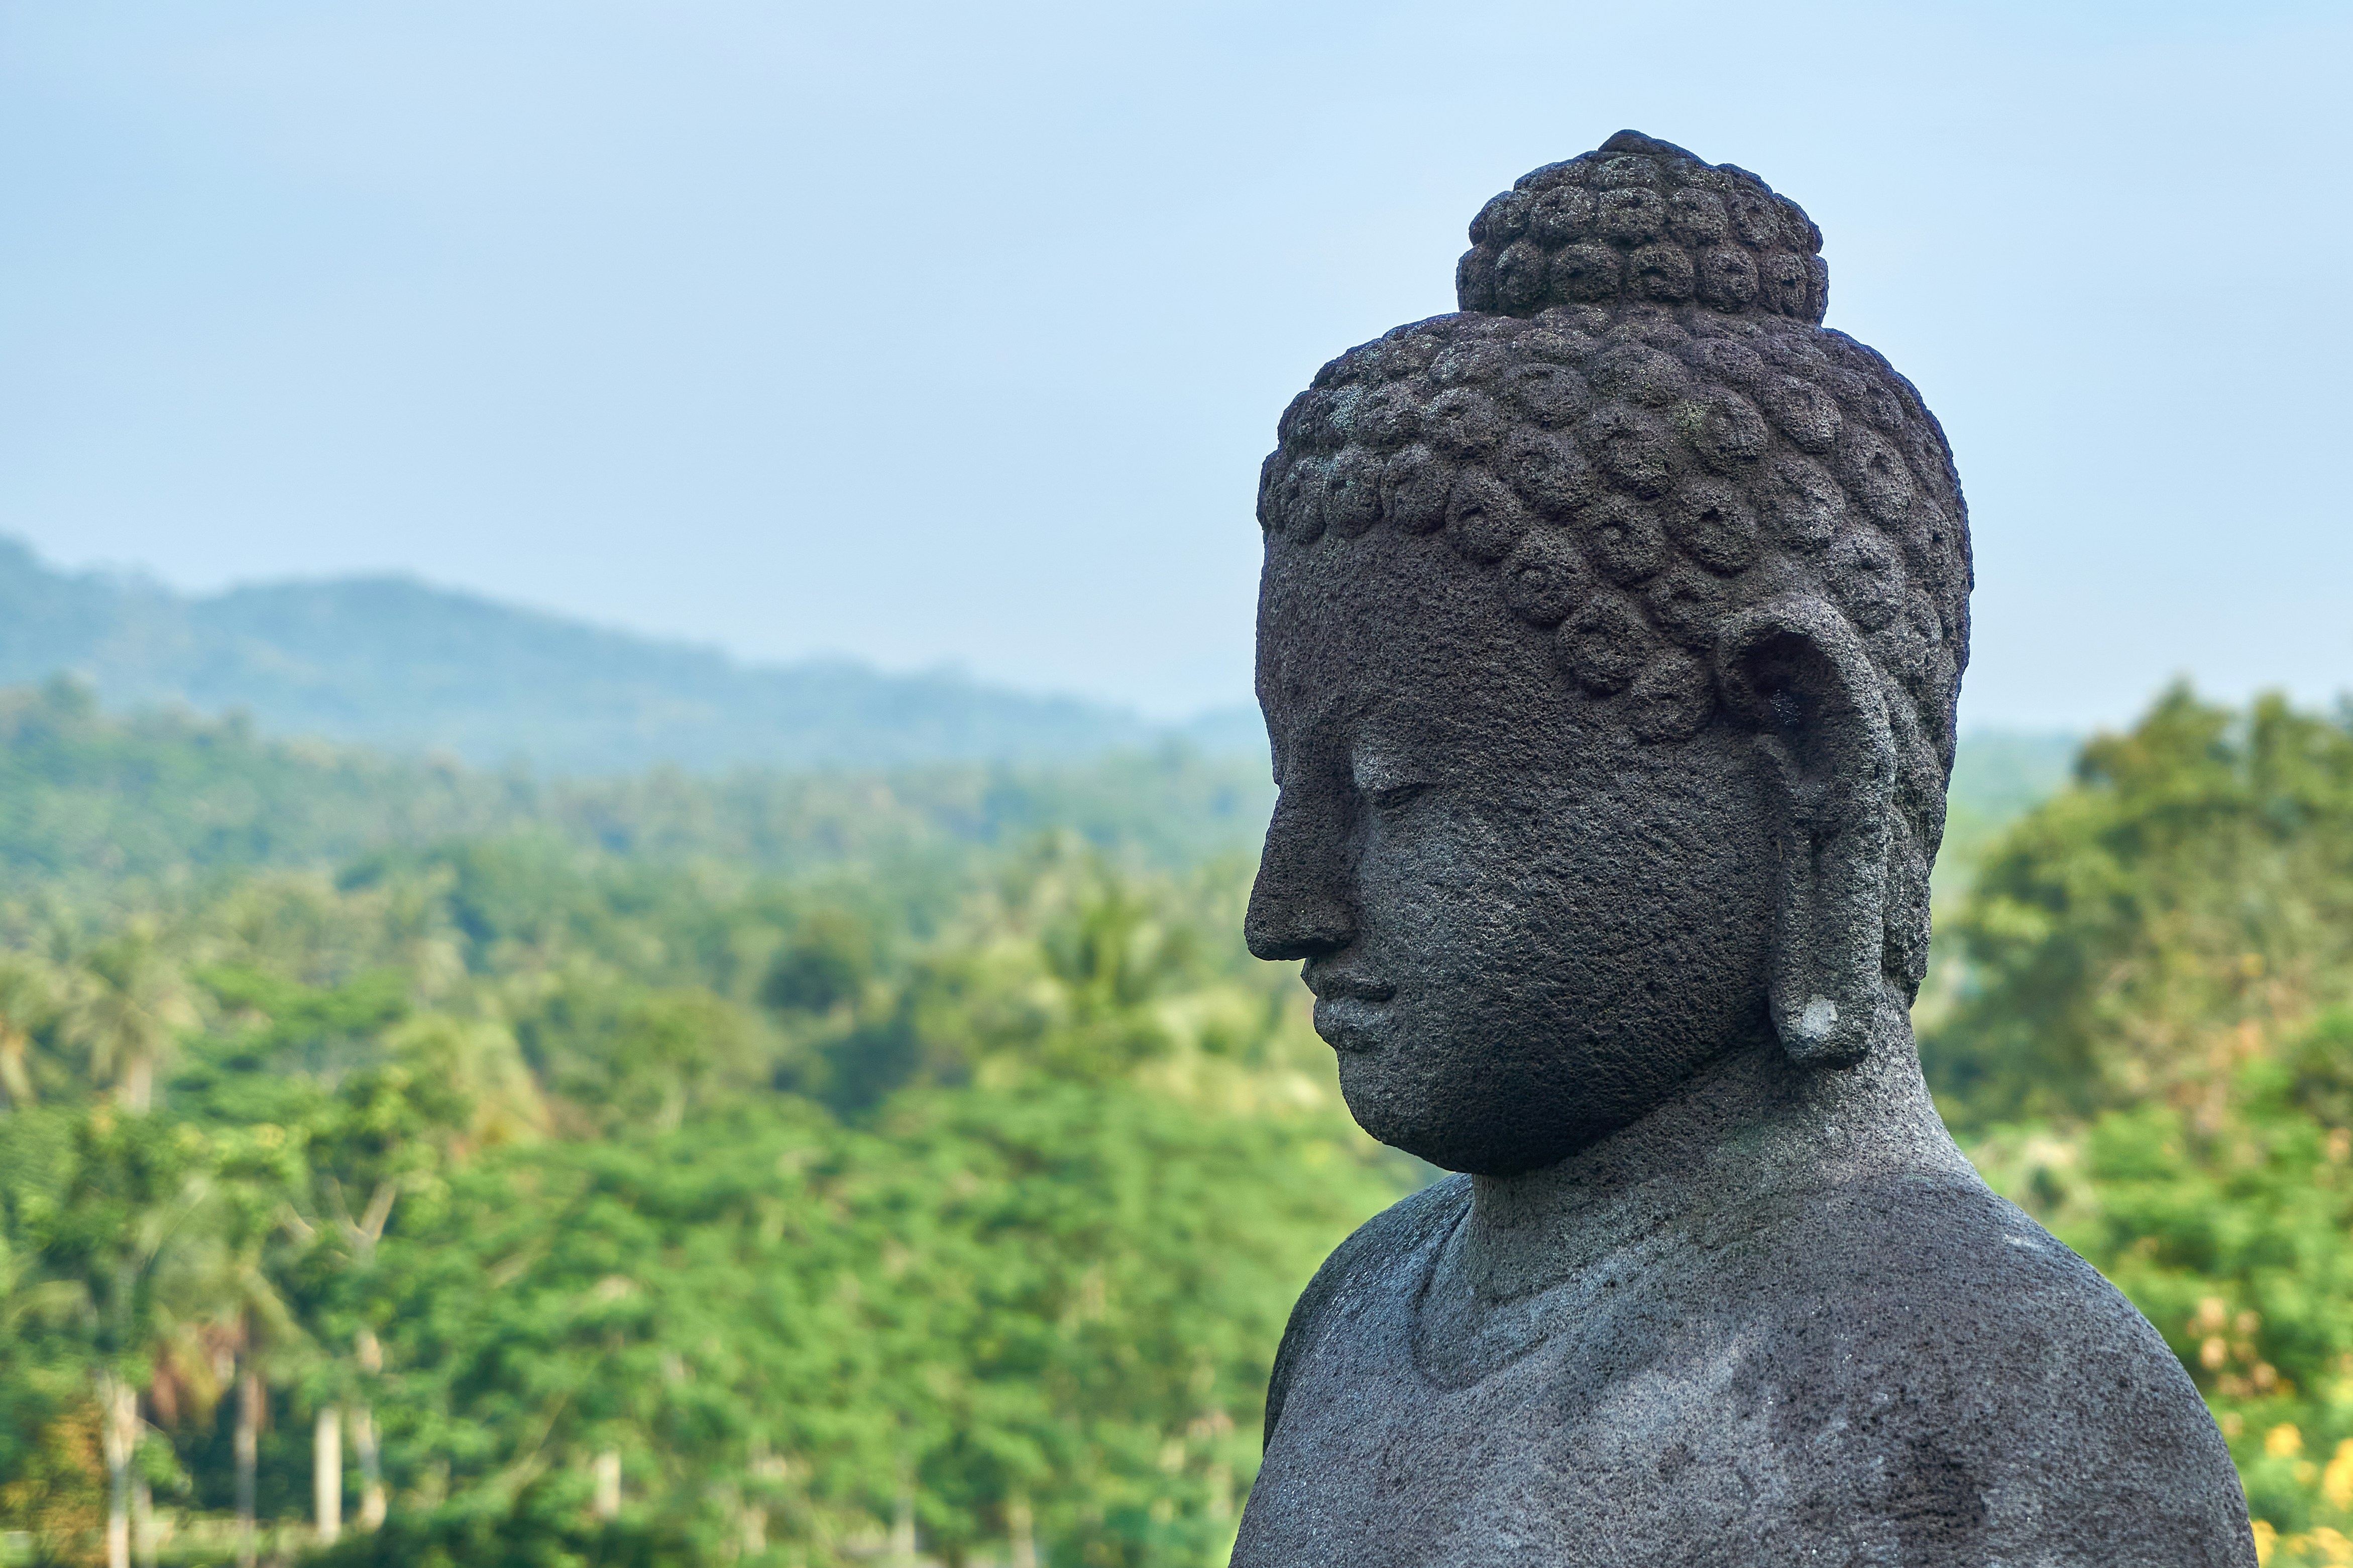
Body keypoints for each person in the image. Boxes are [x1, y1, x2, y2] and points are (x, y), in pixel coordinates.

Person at [1229, 131, 2255, 1567]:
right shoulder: (1358, 1313)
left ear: (1804, 759)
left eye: (1394, 789)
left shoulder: (2004, 1397)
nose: (1287, 910)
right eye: (1296, 780)